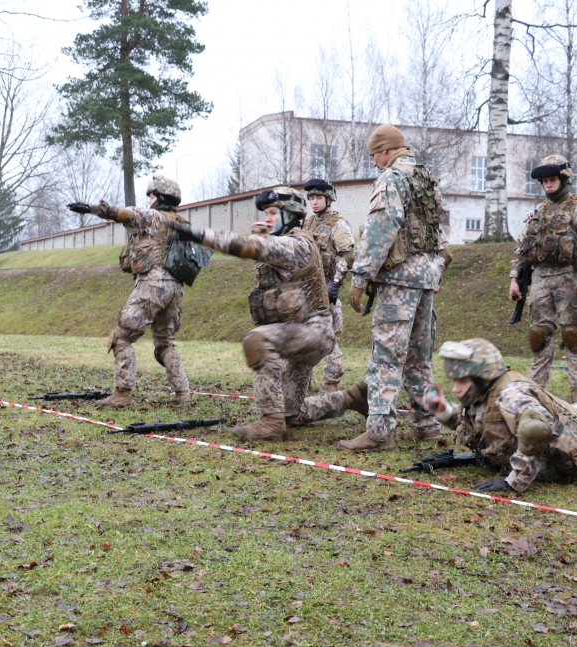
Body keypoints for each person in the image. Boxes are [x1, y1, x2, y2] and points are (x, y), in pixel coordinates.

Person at [169, 187, 367, 439]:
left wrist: (195, 233)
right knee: (293, 413)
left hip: (310, 333)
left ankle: (270, 423)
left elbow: (244, 246)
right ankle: (352, 399)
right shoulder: (289, 242)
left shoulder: (295, 244)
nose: (268, 218)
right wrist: (264, 238)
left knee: (257, 340)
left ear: (289, 214)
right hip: (306, 334)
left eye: (273, 213)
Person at [424, 338, 577, 493]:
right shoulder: (485, 393)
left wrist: (514, 482)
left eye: (463, 381)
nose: (456, 389)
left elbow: (536, 431)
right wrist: (442, 410)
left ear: (483, 376)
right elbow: (479, 424)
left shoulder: (511, 397)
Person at [341, 124, 449, 452]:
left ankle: (379, 430)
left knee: (387, 356)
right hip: (426, 279)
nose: (374, 162)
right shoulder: (425, 178)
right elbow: (440, 232)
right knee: (419, 357)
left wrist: (359, 278)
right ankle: (427, 425)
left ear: (386, 151)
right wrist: (435, 271)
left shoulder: (391, 178)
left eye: (375, 155)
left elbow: (380, 230)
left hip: (399, 280)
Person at [66, 174, 192, 408]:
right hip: (176, 289)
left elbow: (126, 214)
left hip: (153, 285)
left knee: (122, 336)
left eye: (152, 196)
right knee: (165, 343)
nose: (149, 200)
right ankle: (182, 393)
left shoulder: (153, 217)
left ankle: (122, 394)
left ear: (162, 198)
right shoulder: (181, 223)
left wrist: (93, 209)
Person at [509, 155, 577, 403]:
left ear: (564, 179)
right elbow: (522, 248)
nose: (548, 185)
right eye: (544, 181)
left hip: (570, 276)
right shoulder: (538, 211)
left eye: (552, 179)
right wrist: (514, 279)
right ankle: (535, 392)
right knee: (538, 336)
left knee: (572, 335)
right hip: (541, 278)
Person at [302, 178, 355, 395]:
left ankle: (331, 385)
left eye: (318, 198)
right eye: (311, 198)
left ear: (328, 198)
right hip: (305, 291)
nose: (314, 202)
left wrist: (335, 283)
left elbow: (348, 255)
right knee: (303, 339)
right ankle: (302, 383)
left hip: (326, 291)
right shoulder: (306, 223)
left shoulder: (338, 224)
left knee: (328, 339)